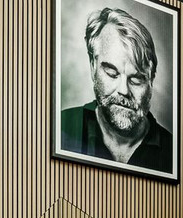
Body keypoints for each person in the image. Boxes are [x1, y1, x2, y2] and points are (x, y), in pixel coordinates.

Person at [59, 7, 173, 174]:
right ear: (93, 66)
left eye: (136, 79)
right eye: (112, 73)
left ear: (151, 81)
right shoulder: (60, 127)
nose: (123, 90)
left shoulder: (175, 153)